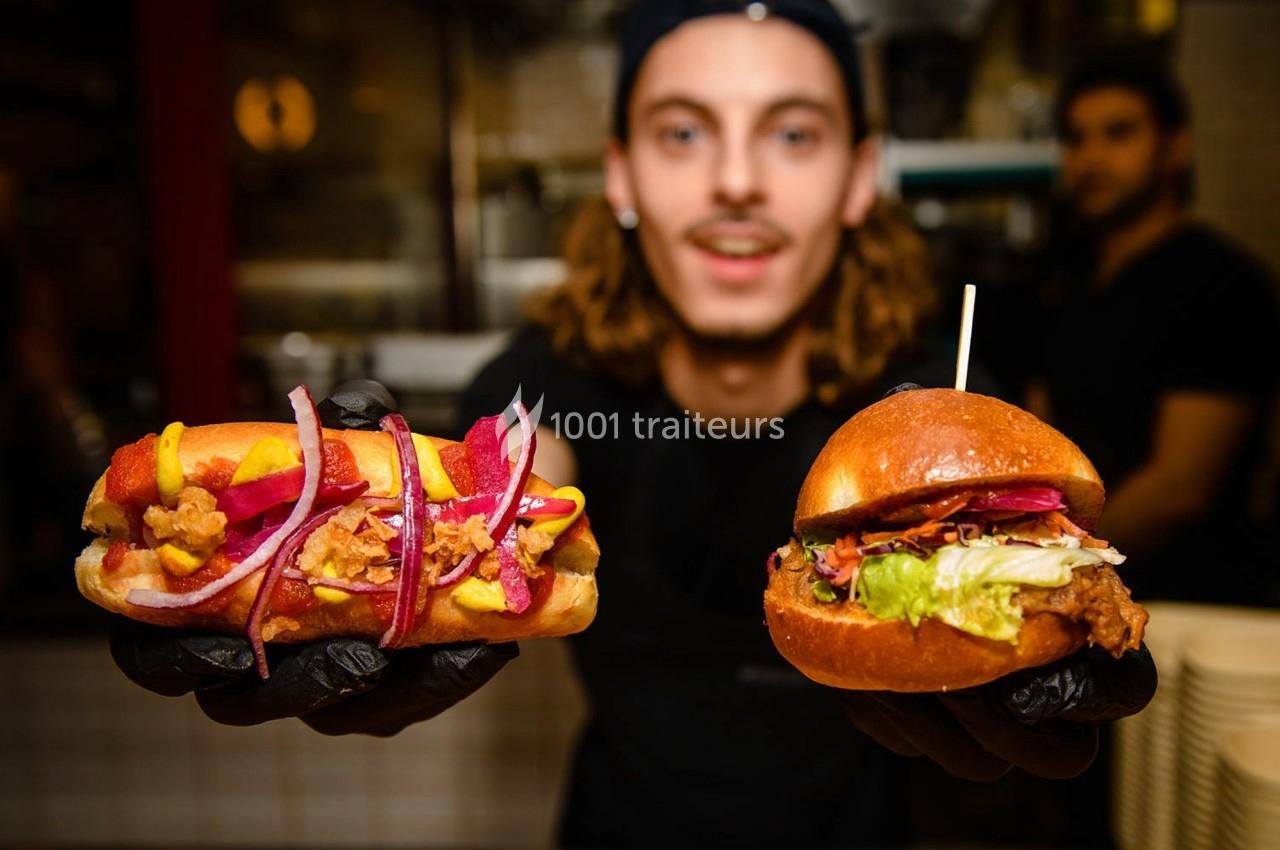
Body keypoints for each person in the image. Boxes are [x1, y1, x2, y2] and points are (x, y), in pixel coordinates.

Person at [111, 3, 1155, 847]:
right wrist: (389, 534)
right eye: (682, 132)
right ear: (620, 174)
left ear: (855, 178)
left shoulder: (937, 413)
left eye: (792, 133)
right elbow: (520, 471)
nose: (735, 181)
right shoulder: (546, 382)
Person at [1029, 54, 1280, 605]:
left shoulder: (1222, 282)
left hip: (1195, 600)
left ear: (1176, 146)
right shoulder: (1063, 283)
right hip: (1069, 597)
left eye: (1119, 133)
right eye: (1075, 138)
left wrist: (1052, 565)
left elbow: (1179, 489)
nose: (1092, 157)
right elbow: (1038, 435)